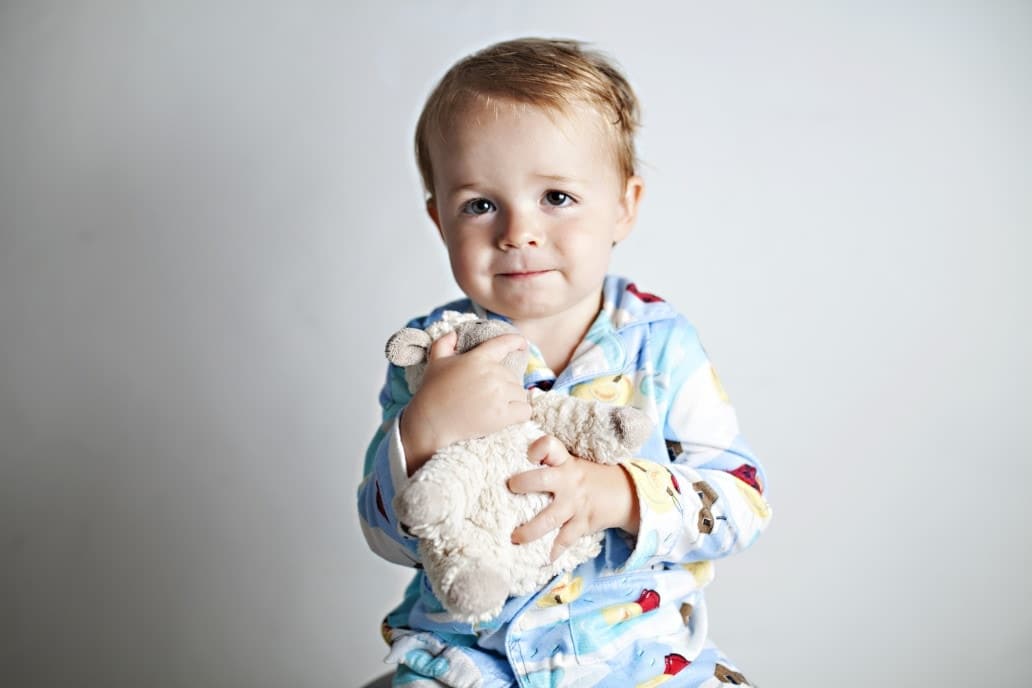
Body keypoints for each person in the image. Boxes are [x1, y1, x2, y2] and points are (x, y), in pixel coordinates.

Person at [357, 37, 772, 688]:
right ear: (440, 221)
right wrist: (422, 431)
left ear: (623, 206)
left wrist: (621, 495)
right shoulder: (429, 352)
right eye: (480, 205)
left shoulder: (660, 346)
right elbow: (386, 538)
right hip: (467, 662)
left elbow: (743, 502)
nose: (518, 231)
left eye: (556, 197)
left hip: (635, 661)